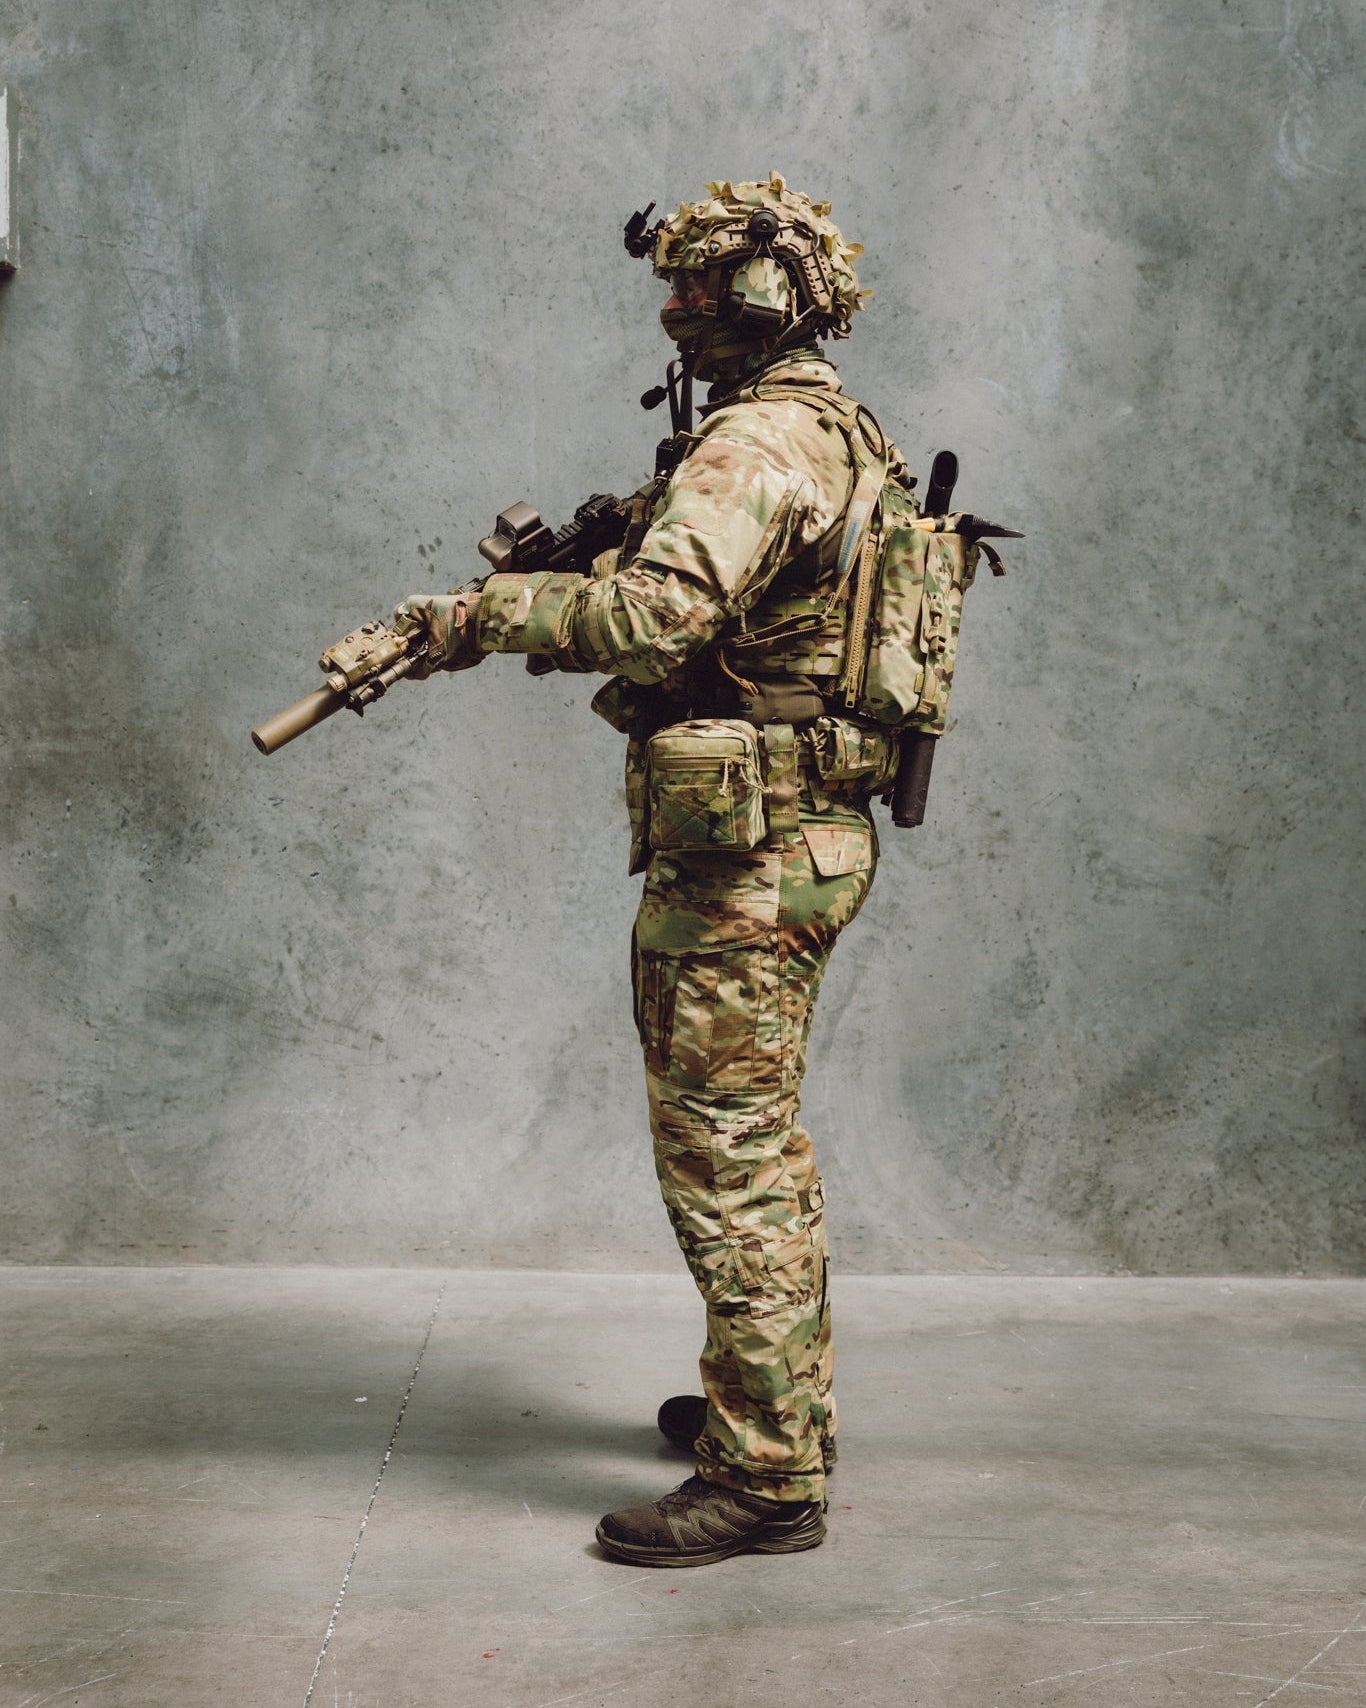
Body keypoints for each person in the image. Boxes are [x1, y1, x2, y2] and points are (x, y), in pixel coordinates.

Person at [394, 174, 910, 1567]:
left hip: (749, 856)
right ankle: (774, 1408)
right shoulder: (831, 429)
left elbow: (652, 615)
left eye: (696, 285)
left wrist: (484, 614)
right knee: (752, 1144)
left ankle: (768, 1482)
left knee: (726, 1156)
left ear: (761, 295)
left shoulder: (754, 446)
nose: (675, 310)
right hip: (794, 834)